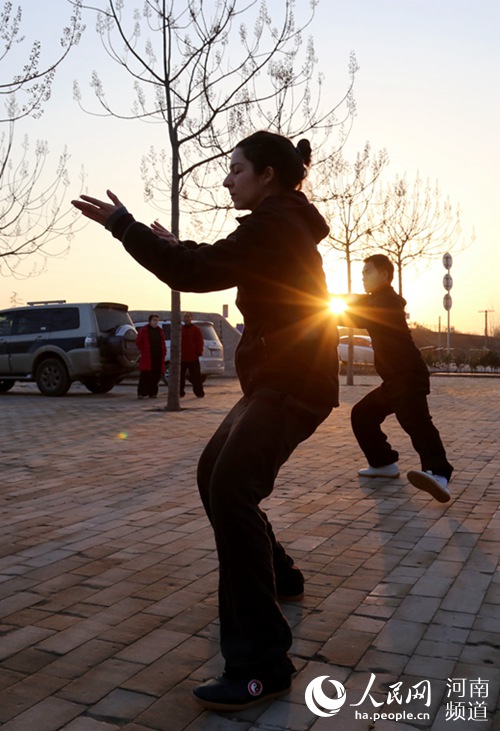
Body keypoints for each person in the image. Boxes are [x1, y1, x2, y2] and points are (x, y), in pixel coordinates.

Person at [71, 131, 339, 711]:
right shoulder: (278, 223)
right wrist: (173, 244)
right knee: (213, 473)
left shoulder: (274, 224)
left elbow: (191, 273)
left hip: (292, 383)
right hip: (283, 379)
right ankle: (280, 577)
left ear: (267, 175)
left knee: (231, 488)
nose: (226, 180)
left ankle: (261, 665)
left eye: (236, 170)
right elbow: (209, 260)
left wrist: (125, 226)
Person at [341, 254, 453, 503]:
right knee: (362, 414)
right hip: (393, 380)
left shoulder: (388, 302)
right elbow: (356, 304)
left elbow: (357, 315)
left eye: (368, 272)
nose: (363, 277)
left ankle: (440, 475)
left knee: (416, 423)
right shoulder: (375, 301)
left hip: (408, 376)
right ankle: (383, 463)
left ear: (384, 274)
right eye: (362, 273)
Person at [136, 314, 167, 399]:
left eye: (157, 320)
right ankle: (142, 393)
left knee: (156, 375)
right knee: (145, 375)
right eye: (154, 320)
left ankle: (153, 393)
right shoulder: (144, 330)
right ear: (150, 321)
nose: (155, 322)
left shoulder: (159, 331)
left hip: (158, 356)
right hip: (147, 356)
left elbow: (162, 343)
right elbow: (139, 342)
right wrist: (144, 350)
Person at [180, 312, 205, 398]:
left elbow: (200, 341)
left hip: (193, 357)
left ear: (191, 318)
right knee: (180, 376)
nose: (186, 318)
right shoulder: (181, 329)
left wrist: (198, 352)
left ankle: (199, 393)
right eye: (185, 317)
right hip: (182, 357)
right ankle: (180, 392)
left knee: (196, 376)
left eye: (188, 317)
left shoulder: (196, 329)